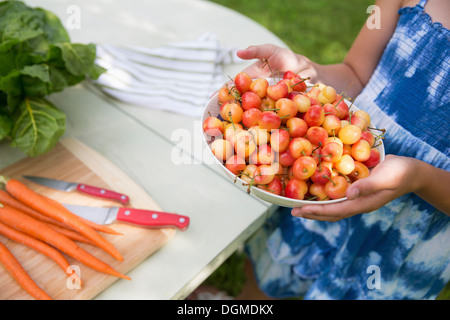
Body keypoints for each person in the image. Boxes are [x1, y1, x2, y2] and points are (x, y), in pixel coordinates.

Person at [234, 0, 450, 300]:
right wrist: (303, 71)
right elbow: (356, 74)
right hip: (332, 166)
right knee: (271, 274)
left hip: (411, 228)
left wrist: (418, 178)